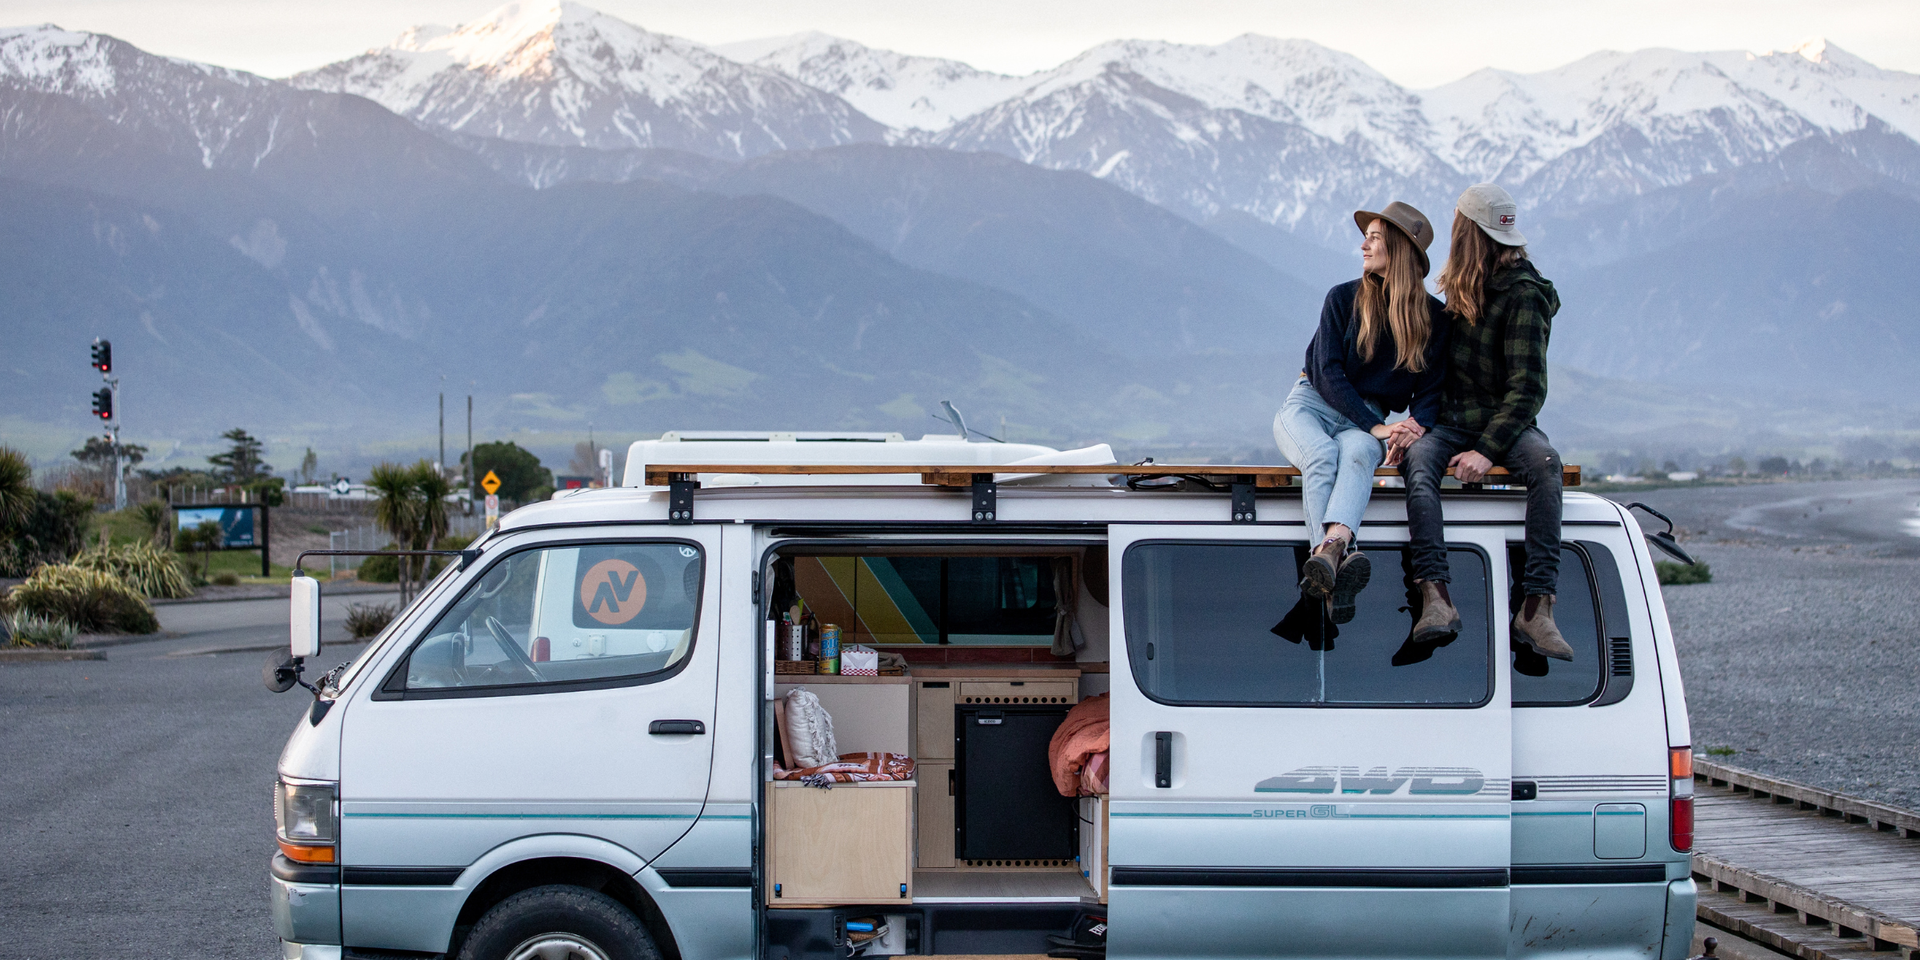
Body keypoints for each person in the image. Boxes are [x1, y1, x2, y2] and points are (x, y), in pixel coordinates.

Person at [1401, 183, 1573, 659]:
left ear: (1467, 232)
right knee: (1418, 464)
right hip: (1451, 420)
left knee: (1544, 465)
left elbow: (1528, 389)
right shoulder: (1460, 285)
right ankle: (1435, 597)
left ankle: (1537, 607)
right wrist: (1416, 422)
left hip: (1505, 425)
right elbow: (1433, 371)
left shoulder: (1524, 294)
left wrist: (1486, 451)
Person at [1274, 201, 1449, 623]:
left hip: (1371, 419)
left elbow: (1431, 388)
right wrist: (1377, 427)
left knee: (1356, 455)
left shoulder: (1435, 319)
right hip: (1311, 404)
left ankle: (1327, 561)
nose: (1363, 245)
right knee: (1322, 455)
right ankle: (1335, 558)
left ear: (1399, 248)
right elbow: (1326, 372)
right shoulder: (1343, 297)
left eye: (1373, 237)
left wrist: (1415, 427)